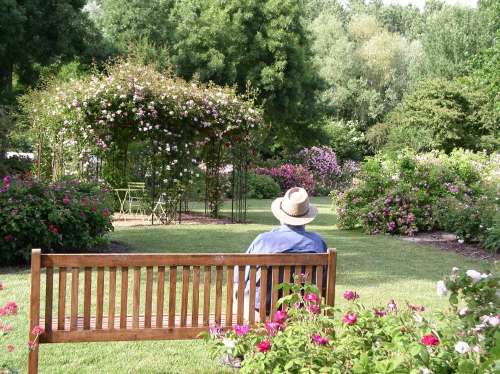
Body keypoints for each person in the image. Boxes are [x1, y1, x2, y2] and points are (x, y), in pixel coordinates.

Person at [234, 187, 327, 316]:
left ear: (281, 216)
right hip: (301, 310)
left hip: (262, 311)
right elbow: (323, 284)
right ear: (306, 217)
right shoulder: (318, 242)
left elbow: (240, 276)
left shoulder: (263, 240)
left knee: (238, 287)